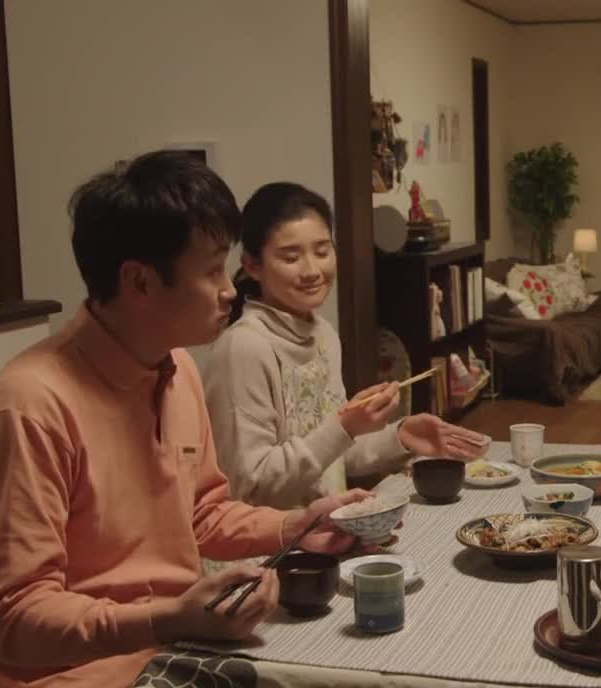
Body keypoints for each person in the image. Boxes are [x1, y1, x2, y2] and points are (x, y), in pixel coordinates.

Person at [0, 151, 376, 688]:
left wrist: (296, 526)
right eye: (211, 272)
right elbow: (11, 620)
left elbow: (201, 515)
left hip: (175, 658)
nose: (230, 291)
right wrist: (167, 620)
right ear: (140, 282)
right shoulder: (26, 409)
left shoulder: (176, 369)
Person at [204, 182, 486, 509]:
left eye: (322, 251)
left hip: (328, 528)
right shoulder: (243, 348)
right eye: (291, 257)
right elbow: (250, 487)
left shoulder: (323, 334)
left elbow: (335, 454)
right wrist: (344, 427)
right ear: (253, 265)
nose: (312, 270)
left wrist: (401, 436)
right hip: (274, 539)